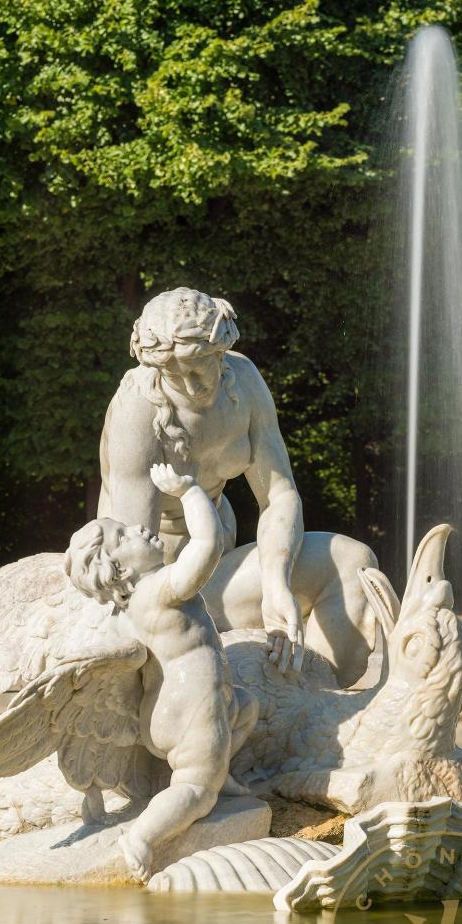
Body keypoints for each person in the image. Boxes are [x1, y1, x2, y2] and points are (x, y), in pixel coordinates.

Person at [68, 463, 257, 882]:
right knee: (194, 786)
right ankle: (144, 838)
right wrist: (189, 492)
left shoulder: (126, 612)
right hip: (190, 704)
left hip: (167, 711)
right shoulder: (160, 589)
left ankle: (219, 775)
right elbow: (207, 546)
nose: (138, 529)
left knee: (246, 708)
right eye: (124, 536)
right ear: (120, 571)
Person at [99, 287, 305, 671]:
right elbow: (139, 567)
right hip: (149, 573)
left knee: (350, 561)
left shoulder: (244, 380)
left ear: (221, 351)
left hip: (217, 545)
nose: (193, 386)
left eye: (200, 367)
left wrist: (277, 585)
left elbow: (279, 495)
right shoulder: (137, 410)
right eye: (176, 376)